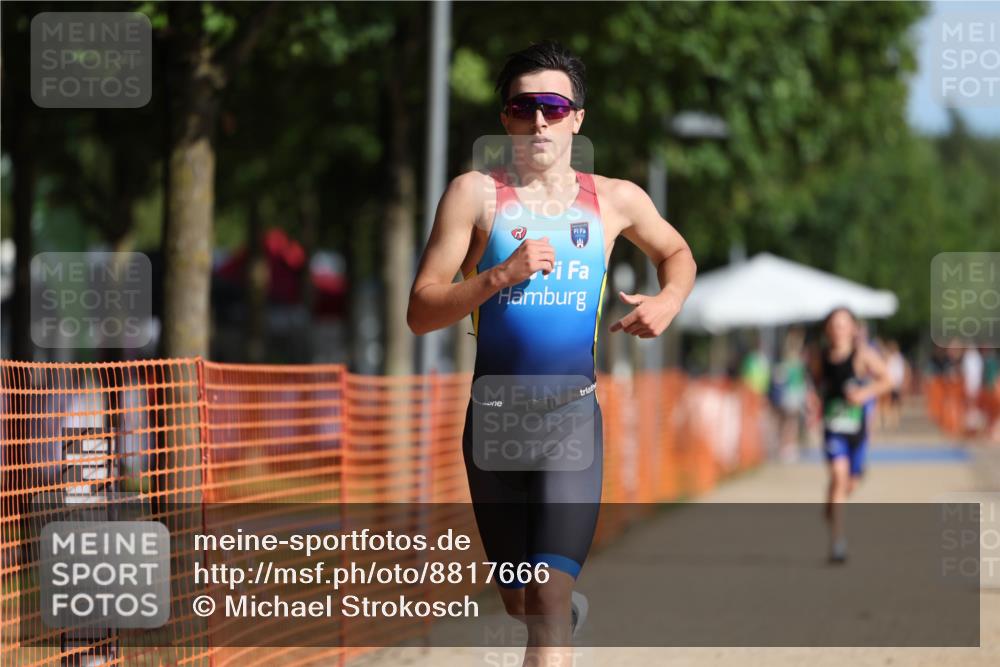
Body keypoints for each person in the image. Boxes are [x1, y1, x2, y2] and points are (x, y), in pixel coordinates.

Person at [407, 41, 696, 661]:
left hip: (571, 417)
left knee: (547, 598)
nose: (540, 120)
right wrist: (496, 277)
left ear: (578, 119)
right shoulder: (474, 195)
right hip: (494, 422)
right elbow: (420, 311)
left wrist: (667, 302)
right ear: (505, 117)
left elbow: (677, 255)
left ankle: (558, 614)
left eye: (554, 107)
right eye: (524, 106)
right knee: (520, 601)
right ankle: (555, 613)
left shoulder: (616, 199)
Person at [809, 307, 892, 563]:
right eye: (834, 325)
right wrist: (814, 402)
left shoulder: (862, 356)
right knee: (838, 473)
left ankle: (831, 507)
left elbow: (887, 380)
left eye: (844, 324)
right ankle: (838, 542)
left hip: (857, 432)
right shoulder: (819, 357)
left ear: (854, 328)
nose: (839, 330)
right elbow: (815, 383)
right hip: (834, 428)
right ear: (827, 329)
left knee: (848, 484)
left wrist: (864, 395)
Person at [770, 327, 809, 462]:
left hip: (794, 395)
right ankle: (786, 447)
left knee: (790, 422)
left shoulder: (794, 361)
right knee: (789, 422)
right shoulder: (791, 362)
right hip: (790, 395)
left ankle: (787, 446)